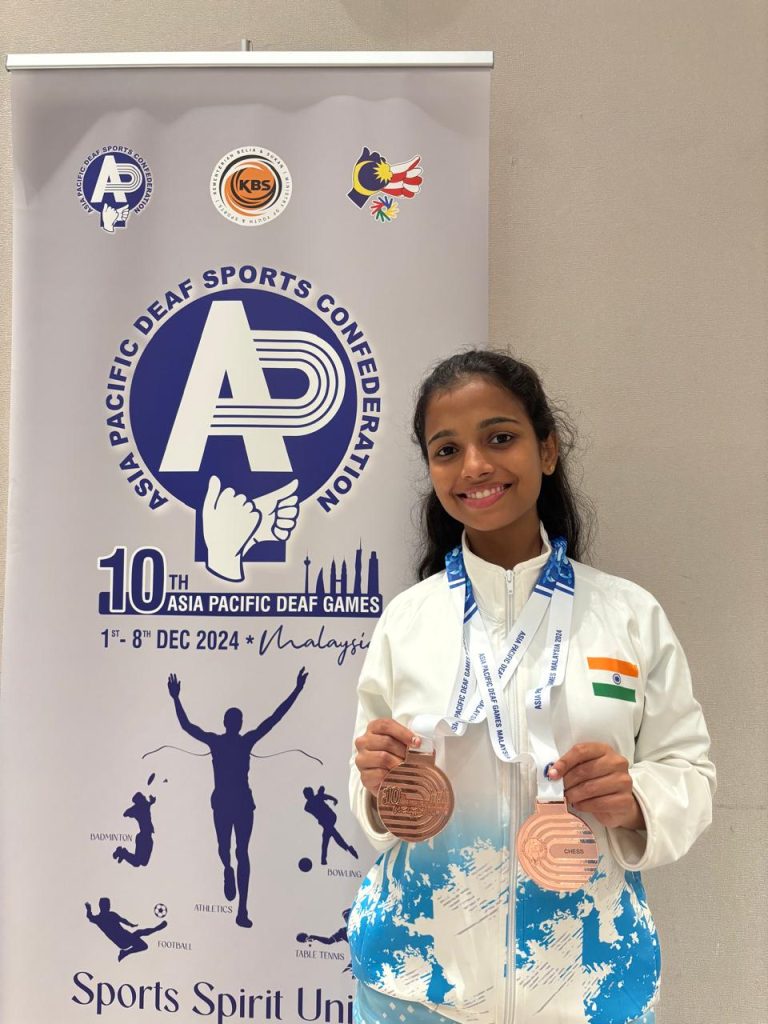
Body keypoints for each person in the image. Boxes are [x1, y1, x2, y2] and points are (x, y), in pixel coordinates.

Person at [348, 350, 715, 1024]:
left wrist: (637, 798)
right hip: (414, 987)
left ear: (546, 450)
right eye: (447, 450)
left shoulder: (628, 615)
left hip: (592, 989)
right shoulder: (407, 620)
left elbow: (690, 774)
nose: (474, 466)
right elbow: (368, 788)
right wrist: (375, 783)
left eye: (499, 438)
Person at [167, 667, 308, 928]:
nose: (237, 723)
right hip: (228, 802)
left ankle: (242, 908)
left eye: (238, 720)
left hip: (238, 803)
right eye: (235, 720)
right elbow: (273, 719)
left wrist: (297, 690)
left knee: (240, 851)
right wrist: (176, 699)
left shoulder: (236, 742)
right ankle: (227, 870)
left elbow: (274, 719)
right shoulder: (227, 742)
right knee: (227, 850)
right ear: (231, 723)